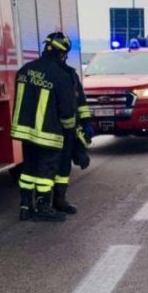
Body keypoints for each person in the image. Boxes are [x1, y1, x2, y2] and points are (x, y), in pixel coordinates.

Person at [10, 32, 77, 222]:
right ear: (62, 54)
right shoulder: (61, 76)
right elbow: (66, 111)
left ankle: (25, 206)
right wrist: (70, 132)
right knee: (46, 172)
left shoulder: (24, 70)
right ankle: (42, 207)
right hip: (48, 133)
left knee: (28, 169)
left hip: (25, 132)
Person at [53, 57, 93, 214]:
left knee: (63, 164)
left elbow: (80, 102)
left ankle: (58, 199)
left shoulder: (70, 75)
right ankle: (54, 201)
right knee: (55, 165)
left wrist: (85, 123)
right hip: (56, 128)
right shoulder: (63, 75)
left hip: (65, 128)